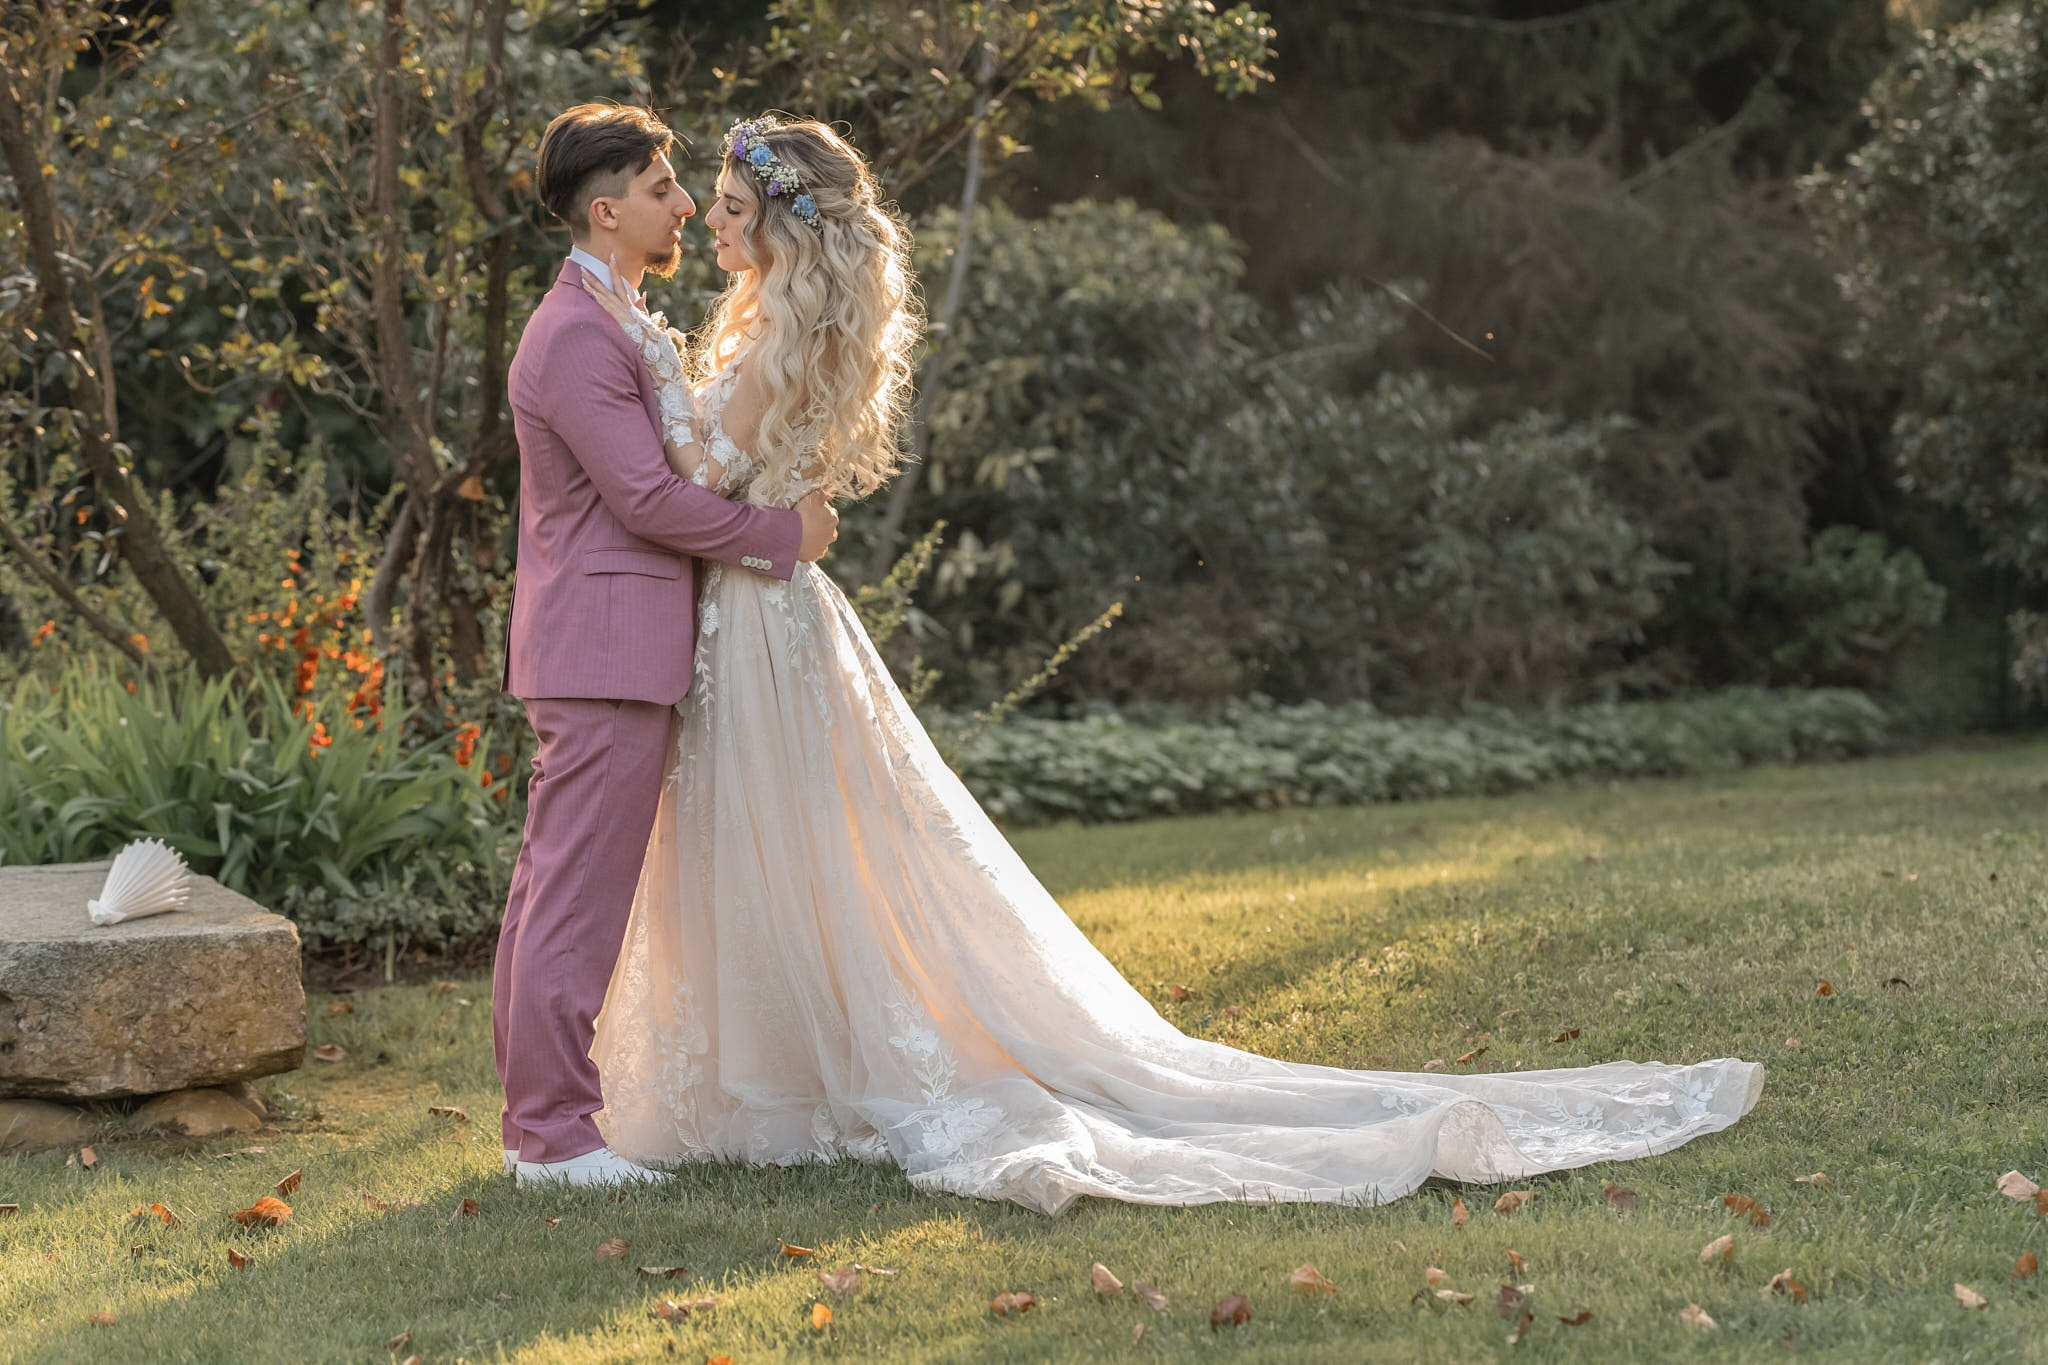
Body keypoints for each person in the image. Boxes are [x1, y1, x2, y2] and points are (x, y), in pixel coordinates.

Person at [585, 115, 1763, 1213]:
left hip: (756, 613)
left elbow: (697, 488)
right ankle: (770, 1073)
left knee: (780, 841)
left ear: (783, 221)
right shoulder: (788, 323)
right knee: (774, 845)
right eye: (710, 199)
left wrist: (646, 392)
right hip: (768, 608)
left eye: (732, 202)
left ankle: (790, 1082)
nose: (712, 218)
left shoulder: (783, 333)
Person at [494, 104, 841, 1188]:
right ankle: (551, 1139)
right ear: (607, 211)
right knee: (571, 898)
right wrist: (781, 537)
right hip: (602, 650)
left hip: (618, 647)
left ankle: (541, 1129)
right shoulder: (574, 338)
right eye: (660, 188)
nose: (684, 204)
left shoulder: (619, 317)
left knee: (557, 891)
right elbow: (644, 500)